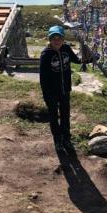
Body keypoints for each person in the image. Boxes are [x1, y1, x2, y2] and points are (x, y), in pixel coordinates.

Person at [39, 25, 81, 155]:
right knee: (53, 116)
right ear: (50, 39)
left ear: (63, 39)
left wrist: (89, 55)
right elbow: (43, 77)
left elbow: (77, 61)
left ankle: (66, 139)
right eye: (53, 38)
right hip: (51, 92)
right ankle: (57, 141)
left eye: (59, 37)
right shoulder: (46, 54)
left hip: (65, 90)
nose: (57, 40)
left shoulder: (66, 49)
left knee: (65, 115)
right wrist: (46, 94)